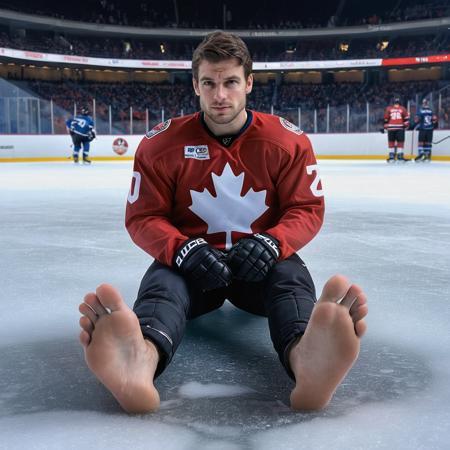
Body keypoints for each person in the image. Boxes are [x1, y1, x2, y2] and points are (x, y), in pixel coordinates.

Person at [78, 31, 368, 414]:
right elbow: (143, 216)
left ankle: (307, 358)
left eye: (230, 82)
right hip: (192, 268)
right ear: (195, 85)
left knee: (289, 279)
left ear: (248, 83)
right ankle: (140, 359)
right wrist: (181, 250)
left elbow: (306, 208)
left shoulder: (288, 141)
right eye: (209, 83)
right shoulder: (160, 145)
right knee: (165, 285)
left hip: (262, 266)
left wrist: (272, 243)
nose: (220, 95)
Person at [382, 97, 410, 163]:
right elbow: (406, 119)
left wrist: (385, 127)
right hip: (400, 127)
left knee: (391, 142)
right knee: (400, 142)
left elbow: (386, 119)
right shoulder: (403, 108)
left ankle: (391, 157)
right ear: (399, 102)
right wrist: (406, 126)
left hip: (391, 127)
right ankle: (400, 156)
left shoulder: (389, 108)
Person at [414, 98, 438, 162]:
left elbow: (416, 120)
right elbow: (435, 120)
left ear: (423, 103)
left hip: (423, 129)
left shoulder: (420, 111)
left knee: (421, 142)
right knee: (428, 142)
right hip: (430, 129)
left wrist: (414, 124)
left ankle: (421, 154)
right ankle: (427, 156)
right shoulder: (431, 111)